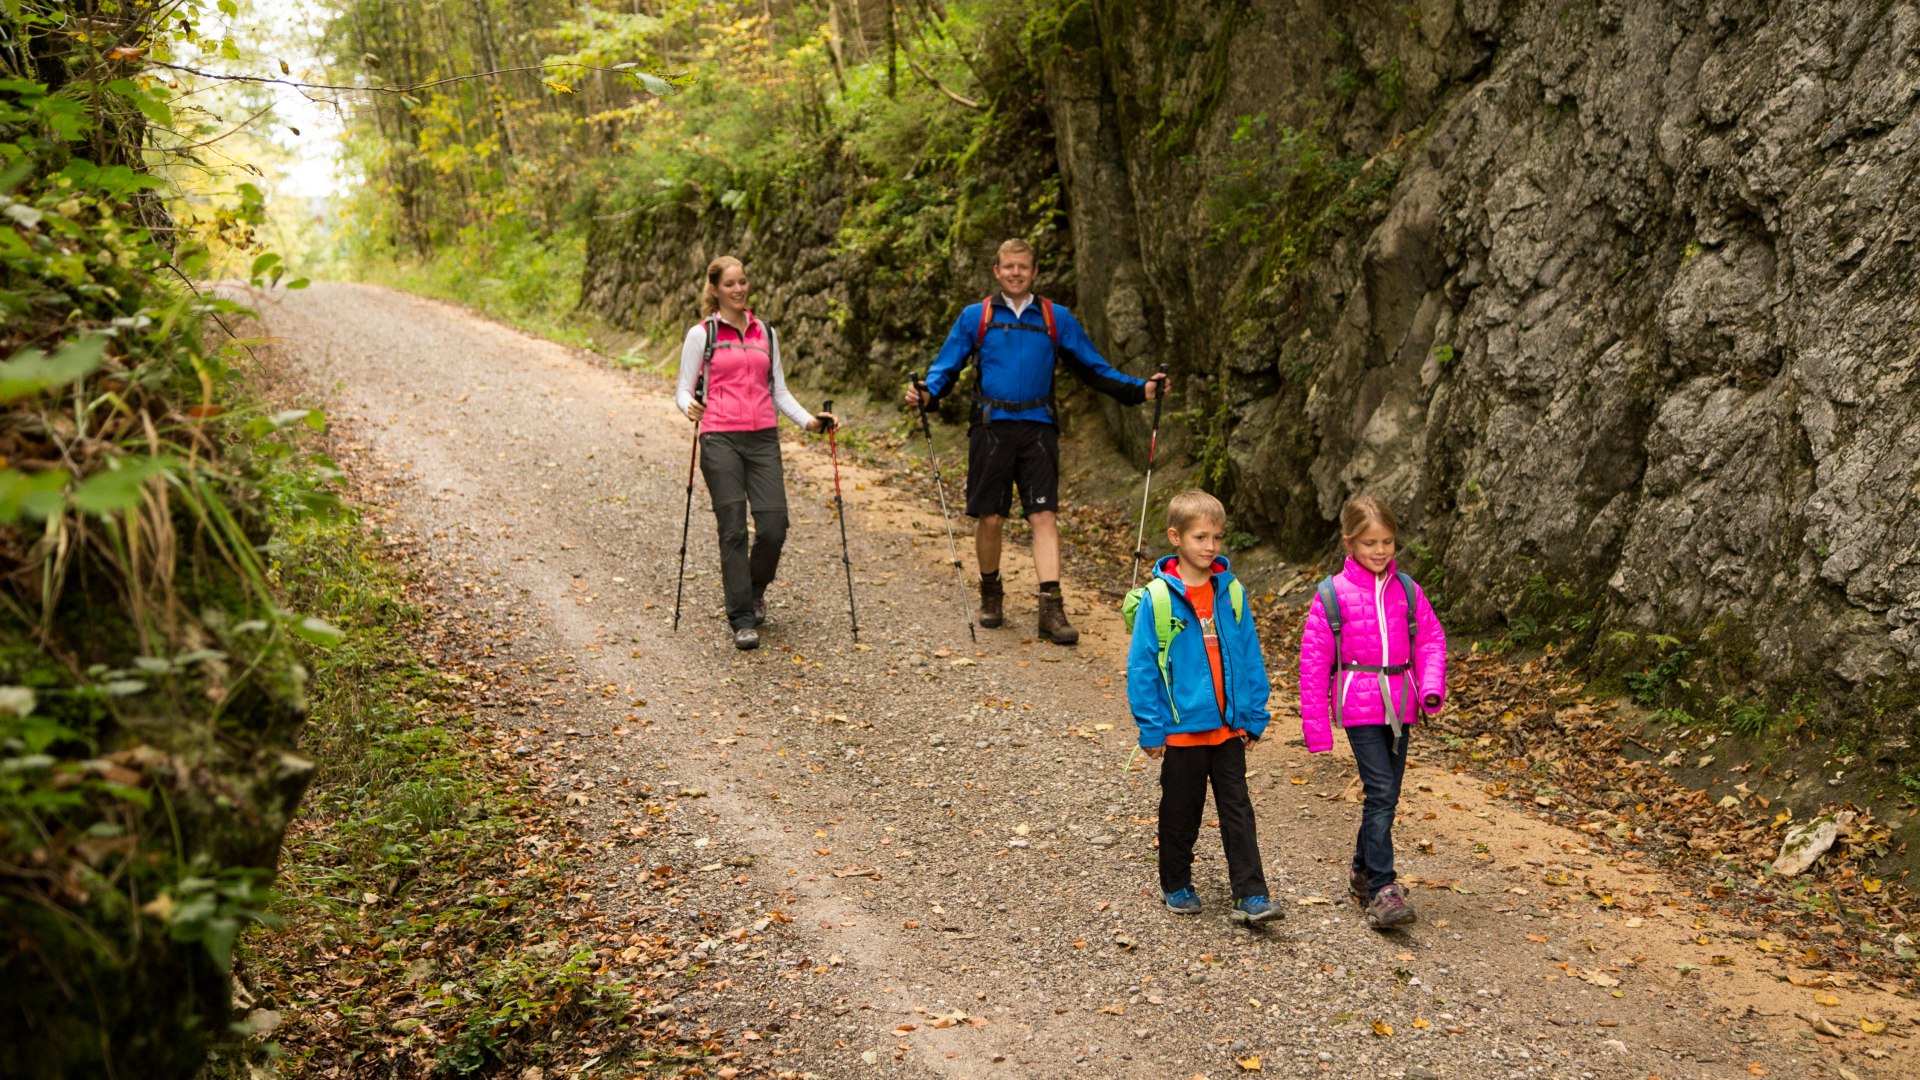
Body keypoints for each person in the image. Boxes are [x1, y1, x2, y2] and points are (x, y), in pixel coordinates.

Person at [904, 238, 1165, 645]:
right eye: (1008, 266)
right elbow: (945, 367)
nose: (1015, 273)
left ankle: (1051, 607)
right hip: (991, 429)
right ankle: (991, 591)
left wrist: (1139, 390)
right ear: (996, 270)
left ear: (1034, 271)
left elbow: (1093, 368)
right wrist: (928, 394)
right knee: (991, 517)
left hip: (1039, 428)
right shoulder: (977, 316)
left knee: (1044, 516)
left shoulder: (1054, 317)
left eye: (1022, 267)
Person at [1128, 489, 1282, 924]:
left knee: (1238, 811)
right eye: (1200, 537)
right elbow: (1142, 668)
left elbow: (1250, 654)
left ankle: (1251, 894)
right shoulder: (1158, 598)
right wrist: (1151, 728)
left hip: (1229, 727)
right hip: (1181, 730)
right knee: (1181, 810)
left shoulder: (1230, 592)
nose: (1210, 546)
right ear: (1175, 537)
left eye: (1217, 537)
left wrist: (1254, 716)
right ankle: (1176, 882)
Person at [1298, 495, 1448, 929]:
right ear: (1349, 544)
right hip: (1359, 704)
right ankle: (1384, 887)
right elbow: (1313, 666)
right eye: (1369, 543)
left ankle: (1362, 871)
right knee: (1380, 791)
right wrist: (1317, 730)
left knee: (1388, 795)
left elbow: (1431, 641)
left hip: (1401, 703)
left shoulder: (1407, 589)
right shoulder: (1332, 595)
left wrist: (1431, 688)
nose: (1379, 551)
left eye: (1386, 541)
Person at [676, 256, 836, 651]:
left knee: (773, 526)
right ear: (715, 289)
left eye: (743, 281)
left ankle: (755, 587)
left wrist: (809, 423)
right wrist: (689, 407)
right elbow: (682, 389)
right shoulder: (702, 334)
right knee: (732, 527)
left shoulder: (766, 331)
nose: (738, 289)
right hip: (719, 438)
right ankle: (742, 616)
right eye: (730, 283)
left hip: (763, 437)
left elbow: (778, 390)